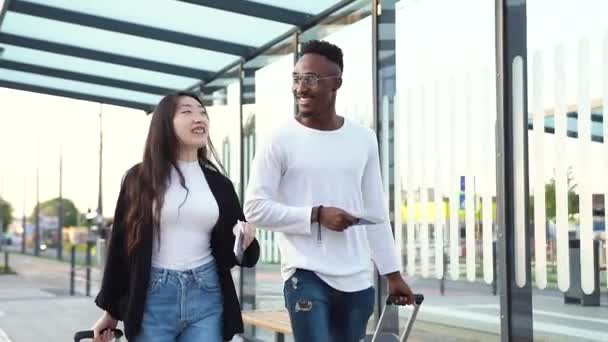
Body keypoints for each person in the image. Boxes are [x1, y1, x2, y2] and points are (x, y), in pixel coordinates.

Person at [243, 40, 415, 342]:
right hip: (304, 273)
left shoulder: (363, 139)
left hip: (357, 280)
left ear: (336, 83)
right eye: (296, 78)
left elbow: (375, 213)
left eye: (310, 79)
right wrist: (316, 215)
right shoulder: (279, 139)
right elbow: (254, 207)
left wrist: (393, 274)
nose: (300, 88)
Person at [91, 92, 260, 342]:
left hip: (207, 294)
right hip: (153, 298)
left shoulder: (220, 184)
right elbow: (120, 247)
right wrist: (112, 312)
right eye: (187, 111)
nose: (198, 117)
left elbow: (232, 253)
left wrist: (245, 244)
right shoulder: (138, 179)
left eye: (202, 112)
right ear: (165, 124)